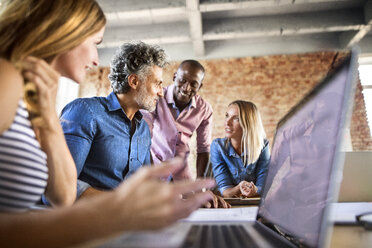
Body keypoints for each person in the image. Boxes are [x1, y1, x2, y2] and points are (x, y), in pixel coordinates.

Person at [0, 1, 215, 247]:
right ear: (64, 31)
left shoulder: (143, 128)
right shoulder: (9, 79)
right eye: (95, 43)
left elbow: (63, 194)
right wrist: (114, 211)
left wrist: (187, 195)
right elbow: (59, 201)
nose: (95, 59)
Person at [60, 41, 166, 199]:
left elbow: (145, 186)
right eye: (157, 84)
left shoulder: (143, 129)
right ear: (134, 82)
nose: (161, 93)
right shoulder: (86, 112)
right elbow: (61, 185)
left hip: (126, 220)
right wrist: (118, 203)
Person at [142, 60, 212, 180]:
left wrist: (200, 183)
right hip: (155, 168)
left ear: (199, 86)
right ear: (174, 77)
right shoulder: (156, 98)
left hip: (182, 173)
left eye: (194, 84)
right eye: (182, 80)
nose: (186, 88)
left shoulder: (204, 109)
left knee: (192, 198)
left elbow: (203, 148)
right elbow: (143, 135)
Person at [210, 100, 270, 198]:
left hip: (252, 205)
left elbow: (262, 187)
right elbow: (225, 191)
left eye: (236, 118)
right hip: (226, 205)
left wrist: (255, 191)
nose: (227, 122)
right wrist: (239, 187)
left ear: (249, 123)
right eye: (227, 116)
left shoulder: (263, 146)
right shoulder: (217, 146)